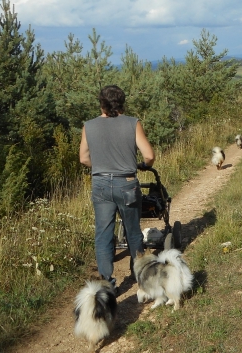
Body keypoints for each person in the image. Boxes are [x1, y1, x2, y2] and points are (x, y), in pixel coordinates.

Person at [79, 85, 155, 291]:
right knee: (133, 231)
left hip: (101, 184)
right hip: (127, 183)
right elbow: (149, 156)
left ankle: (107, 283)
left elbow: (84, 158)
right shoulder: (133, 123)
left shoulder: (89, 126)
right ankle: (139, 275)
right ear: (122, 102)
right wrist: (143, 166)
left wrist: (103, 166)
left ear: (101, 103)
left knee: (103, 233)